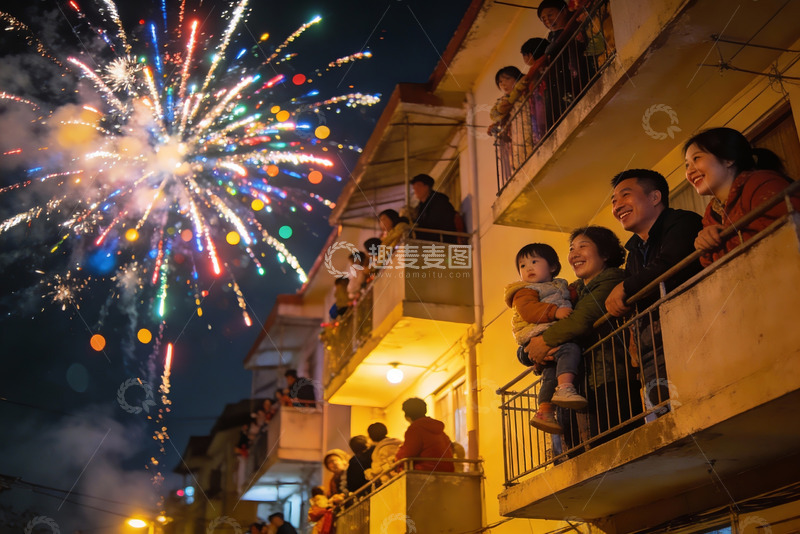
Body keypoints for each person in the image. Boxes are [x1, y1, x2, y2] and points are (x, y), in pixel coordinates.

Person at [524, 227, 641, 445]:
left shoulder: (612, 279)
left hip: (609, 379)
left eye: (583, 246)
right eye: (571, 248)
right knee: (579, 457)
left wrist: (543, 343)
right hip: (575, 387)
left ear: (604, 254)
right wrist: (527, 350)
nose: (574, 254)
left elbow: (580, 321)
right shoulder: (571, 291)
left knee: (613, 451)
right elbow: (543, 324)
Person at [605, 169, 703, 410]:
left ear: (655, 197)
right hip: (653, 348)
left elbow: (671, 264)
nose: (617, 206)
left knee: (697, 407)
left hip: (692, 332)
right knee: (666, 418)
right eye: (614, 201)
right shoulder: (635, 251)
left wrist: (625, 287)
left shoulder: (682, 222)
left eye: (625, 196)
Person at [684, 127, 800, 265]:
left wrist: (725, 238)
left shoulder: (760, 183)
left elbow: (785, 231)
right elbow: (715, 268)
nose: (689, 171)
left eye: (696, 158)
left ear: (728, 159)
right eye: (686, 165)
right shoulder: (711, 215)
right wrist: (703, 246)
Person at [504, 243, 583, 434]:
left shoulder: (559, 285)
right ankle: (565, 388)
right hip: (535, 332)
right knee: (569, 349)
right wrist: (555, 312)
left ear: (553, 267)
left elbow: (568, 297)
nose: (528, 268)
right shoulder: (524, 290)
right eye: (522, 266)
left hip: (548, 331)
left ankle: (544, 411)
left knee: (550, 372)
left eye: (534, 261)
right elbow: (529, 311)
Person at [395, 397, 454, 472]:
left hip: (426, 471)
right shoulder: (439, 430)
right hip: (448, 471)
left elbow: (408, 454)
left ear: (406, 416)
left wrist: (397, 458)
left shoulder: (415, 428)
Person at [409, 174, 458, 242]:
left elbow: (436, 223)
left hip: (442, 239)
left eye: (418, 186)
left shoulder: (439, 201)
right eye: (414, 188)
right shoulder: (420, 207)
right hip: (430, 240)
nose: (415, 190)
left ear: (426, 187)